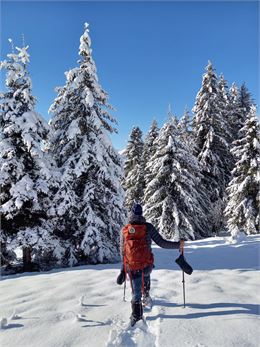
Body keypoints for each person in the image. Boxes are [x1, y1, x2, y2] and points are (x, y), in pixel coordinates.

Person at [117, 203, 184, 326]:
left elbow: (122, 251)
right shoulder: (148, 227)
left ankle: (136, 315)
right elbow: (162, 243)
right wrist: (177, 245)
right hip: (146, 264)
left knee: (135, 290)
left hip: (131, 265)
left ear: (131, 214)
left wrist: (123, 270)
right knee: (146, 273)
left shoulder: (125, 229)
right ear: (141, 214)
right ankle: (146, 297)